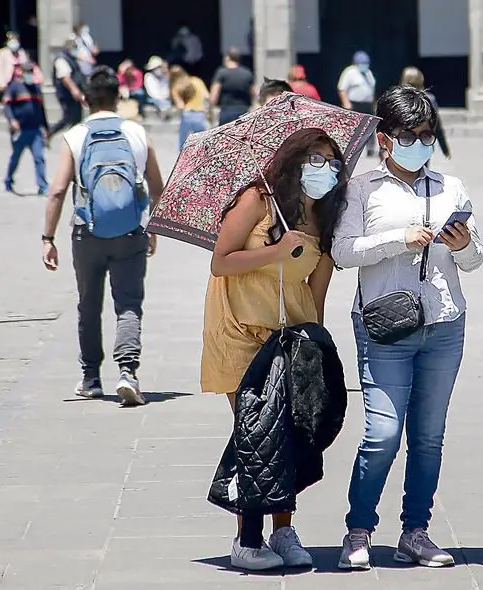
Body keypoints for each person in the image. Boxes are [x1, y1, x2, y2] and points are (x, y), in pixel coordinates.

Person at [331, 85, 483, 570]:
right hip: (385, 326)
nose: (420, 143)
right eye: (410, 135)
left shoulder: (450, 187)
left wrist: (461, 245)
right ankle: (358, 530)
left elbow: (477, 258)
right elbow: (342, 252)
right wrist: (399, 239)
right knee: (382, 432)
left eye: (427, 134)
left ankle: (415, 532)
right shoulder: (361, 189)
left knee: (428, 436)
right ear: (385, 138)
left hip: (443, 324)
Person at [202, 127, 349, 570]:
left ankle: (283, 530)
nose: (325, 170)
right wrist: (278, 250)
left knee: (289, 429)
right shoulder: (257, 200)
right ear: (295, 161)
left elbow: (317, 290)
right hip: (240, 326)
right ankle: (247, 540)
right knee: (256, 431)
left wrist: (316, 351)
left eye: (332, 162)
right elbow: (221, 260)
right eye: (316, 160)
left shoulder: (326, 215)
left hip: (291, 332)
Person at [42, 66, 164, 404]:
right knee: (128, 304)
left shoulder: (75, 136)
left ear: (84, 98)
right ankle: (128, 372)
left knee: (88, 305)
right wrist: (152, 228)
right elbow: (157, 189)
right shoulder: (138, 133)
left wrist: (47, 238)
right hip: (131, 232)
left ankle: (91, 377)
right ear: (119, 96)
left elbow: (56, 190)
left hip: (87, 233)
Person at [3, 59, 49, 195]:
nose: (29, 74)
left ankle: (43, 186)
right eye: (27, 71)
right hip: (20, 130)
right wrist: (12, 120)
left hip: (35, 131)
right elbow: (6, 106)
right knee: (15, 157)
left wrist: (45, 127)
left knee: (39, 158)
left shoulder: (36, 89)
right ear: (21, 72)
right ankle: (8, 180)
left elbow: (41, 109)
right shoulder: (14, 87)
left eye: (31, 71)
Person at [399, 67, 451, 161]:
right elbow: (437, 126)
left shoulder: (397, 100)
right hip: (424, 143)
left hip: (403, 143)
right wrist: (445, 149)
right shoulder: (430, 99)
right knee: (422, 172)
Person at [337, 51, 377, 156]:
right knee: (355, 127)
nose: (364, 64)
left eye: (366, 62)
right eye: (362, 62)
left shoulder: (368, 73)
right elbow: (342, 88)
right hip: (355, 104)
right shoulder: (349, 72)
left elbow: (371, 89)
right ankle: (352, 150)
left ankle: (370, 149)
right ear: (356, 63)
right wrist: (346, 103)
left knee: (370, 126)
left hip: (367, 104)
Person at [49, 36, 87, 137]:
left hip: (74, 94)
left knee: (77, 118)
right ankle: (50, 132)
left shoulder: (71, 58)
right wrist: (74, 90)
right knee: (68, 117)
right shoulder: (61, 59)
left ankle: (73, 137)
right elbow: (65, 77)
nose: (75, 49)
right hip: (66, 94)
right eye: (73, 47)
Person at [210, 48, 256, 126]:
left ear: (227, 58)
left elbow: (214, 95)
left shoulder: (221, 73)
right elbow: (255, 93)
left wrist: (210, 109)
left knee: (226, 136)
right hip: (243, 111)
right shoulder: (247, 73)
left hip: (226, 111)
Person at [170, 65, 210, 150]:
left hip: (187, 114)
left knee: (184, 145)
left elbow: (180, 106)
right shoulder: (197, 81)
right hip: (200, 114)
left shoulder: (176, 87)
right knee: (201, 143)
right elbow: (207, 96)